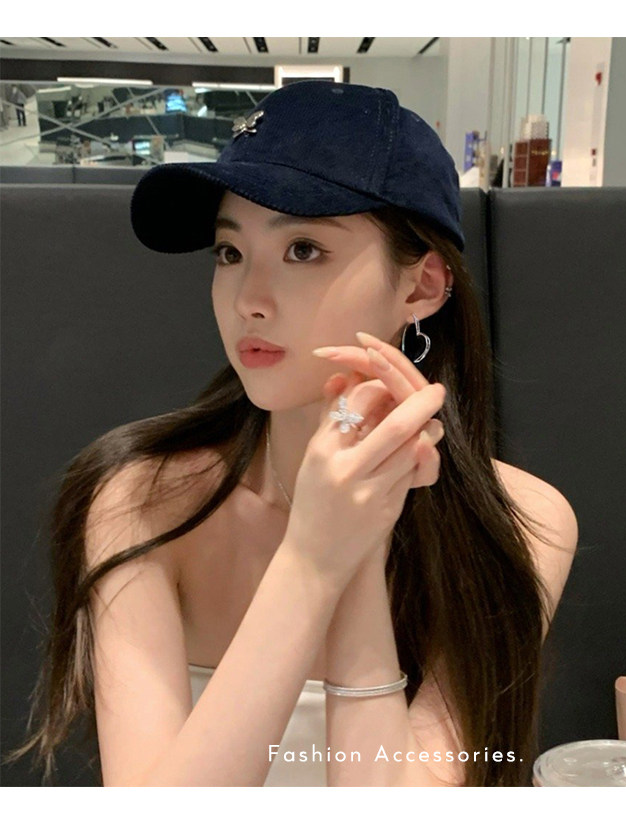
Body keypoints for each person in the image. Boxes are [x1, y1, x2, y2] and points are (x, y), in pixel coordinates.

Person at [3, 80, 578, 787]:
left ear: (422, 286)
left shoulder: (522, 521)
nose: (248, 299)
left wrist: (355, 549)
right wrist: (310, 561)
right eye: (229, 252)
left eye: (303, 249)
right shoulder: (143, 503)